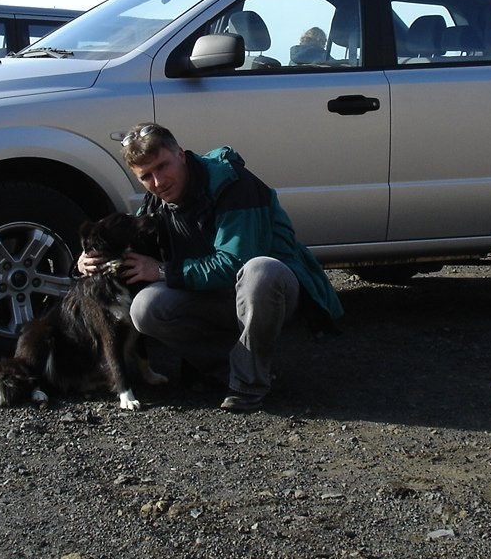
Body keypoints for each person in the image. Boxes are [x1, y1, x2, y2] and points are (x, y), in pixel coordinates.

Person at [77, 122, 343, 412]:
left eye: (162, 166)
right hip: (211, 294)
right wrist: (89, 258)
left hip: (270, 292)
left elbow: (235, 264)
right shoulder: (158, 199)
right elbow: (128, 237)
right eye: (146, 176)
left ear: (180, 154)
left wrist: (163, 271)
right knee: (145, 307)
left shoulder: (232, 184)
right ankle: (226, 368)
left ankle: (249, 385)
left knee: (260, 271)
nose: (158, 181)